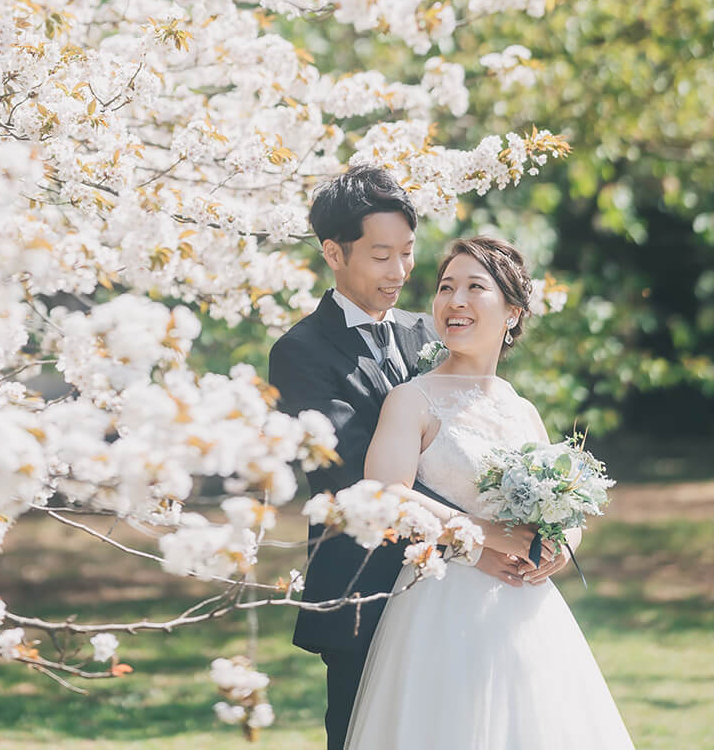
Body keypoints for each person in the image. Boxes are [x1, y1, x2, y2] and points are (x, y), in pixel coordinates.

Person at [268, 171, 550, 750]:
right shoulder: (300, 352)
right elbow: (355, 480)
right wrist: (486, 539)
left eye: (407, 253)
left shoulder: (430, 330)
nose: (399, 273)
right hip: (367, 590)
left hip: (473, 598)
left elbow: (481, 438)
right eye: (380, 256)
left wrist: (543, 529)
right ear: (333, 253)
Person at [344, 234, 635, 750]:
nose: (453, 301)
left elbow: (564, 503)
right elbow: (384, 494)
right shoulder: (412, 399)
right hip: (440, 606)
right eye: (445, 287)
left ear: (512, 313)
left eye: (474, 287)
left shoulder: (522, 409)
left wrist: (559, 550)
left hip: (527, 611)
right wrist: (487, 538)